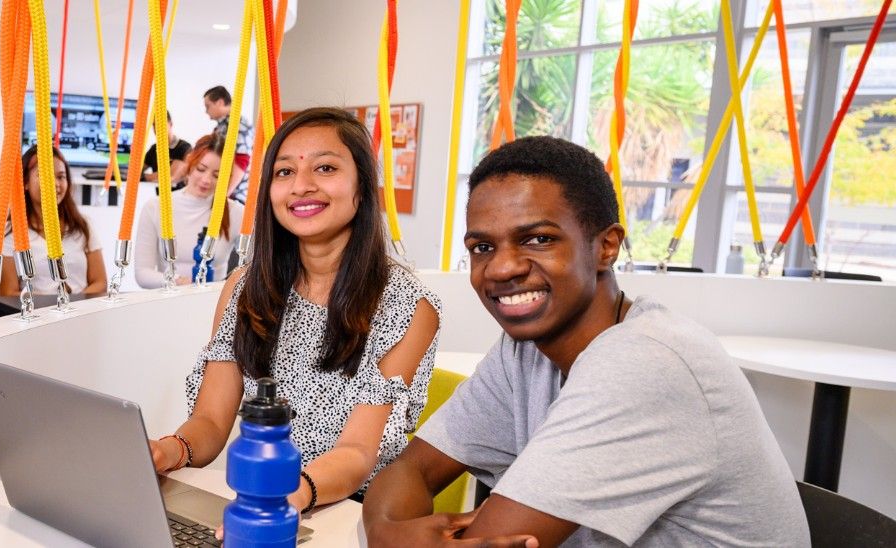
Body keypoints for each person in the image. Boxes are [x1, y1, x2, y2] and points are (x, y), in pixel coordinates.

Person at [362, 136, 809, 547]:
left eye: (538, 239)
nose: (501, 269)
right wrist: (384, 532)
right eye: (482, 247)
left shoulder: (644, 361)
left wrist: (397, 536)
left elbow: (496, 541)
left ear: (606, 247)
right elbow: (412, 468)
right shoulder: (524, 349)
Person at [146, 108, 441, 514]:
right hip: (263, 499)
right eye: (284, 172)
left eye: (325, 168)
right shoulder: (246, 287)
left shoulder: (409, 306)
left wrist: (291, 495)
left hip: (354, 512)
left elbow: (357, 451)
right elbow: (212, 422)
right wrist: (167, 451)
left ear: (363, 187)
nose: (301, 186)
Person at [133, 135, 242, 288]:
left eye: (216, 175)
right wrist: (177, 281)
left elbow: (255, 265)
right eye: (201, 169)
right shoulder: (156, 207)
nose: (206, 180)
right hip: (170, 301)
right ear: (190, 165)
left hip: (214, 304)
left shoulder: (235, 212)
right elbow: (142, 273)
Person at [0, 146, 108, 296]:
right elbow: (8, 293)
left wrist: (72, 303)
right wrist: (53, 304)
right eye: (44, 175)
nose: (55, 183)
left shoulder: (82, 226)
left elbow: (100, 282)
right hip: (37, 316)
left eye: (61, 177)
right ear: (25, 182)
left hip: (80, 313)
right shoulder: (11, 232)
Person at [203, 85, 252, 203]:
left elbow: (242, 161)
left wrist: (223, 196)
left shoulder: (238, 125)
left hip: (235, 196)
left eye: (208, 106)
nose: (206, 111)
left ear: (220, 102)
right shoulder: (221, 127)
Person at [142, 111, 192, 190]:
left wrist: (145, 176)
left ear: (171, 124)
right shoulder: (154, 149)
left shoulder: (184, 147)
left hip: (178, 198)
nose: (157, 128)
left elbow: (171, 176)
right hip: (160, 198)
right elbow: (137, 171)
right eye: (154, 125)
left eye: (161, 123)